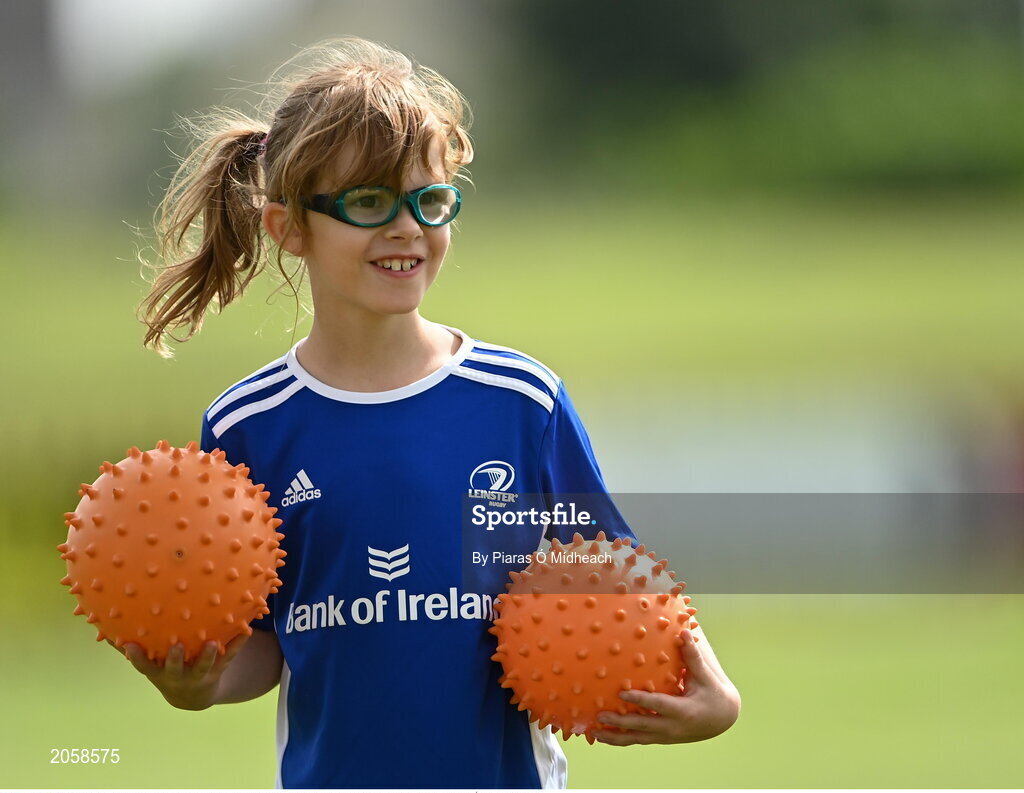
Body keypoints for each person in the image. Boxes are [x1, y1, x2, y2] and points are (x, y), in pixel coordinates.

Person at [124, 38, 741, 789]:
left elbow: (617, 577)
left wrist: (715, 696)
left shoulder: (521, 401)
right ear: (289, 228)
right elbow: (261, 642)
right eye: (369, 202)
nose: (407, 227)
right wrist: (199, 684)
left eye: (430, 199)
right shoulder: (248, 425)